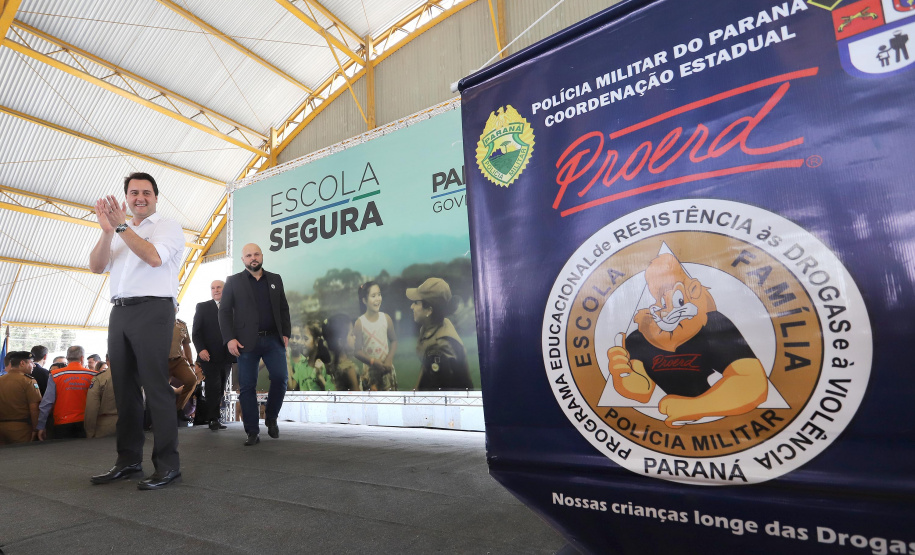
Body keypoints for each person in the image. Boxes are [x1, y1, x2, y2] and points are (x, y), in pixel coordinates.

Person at [88, 171, 185, 490]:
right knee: (124, 390)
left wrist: (120, 227)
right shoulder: (118, 230)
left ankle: (168, 466)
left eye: (146, 192)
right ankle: (128, 460)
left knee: (155, 386)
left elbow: (154, 258)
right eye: (133, 192)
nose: (139, 197)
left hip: (154, 308)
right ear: (126, 198)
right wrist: (107, 232)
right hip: (120, 311)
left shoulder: (167, 226)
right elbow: (96, 266)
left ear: (156, 197)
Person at [219, 243, 291, 447]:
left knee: (281, 378)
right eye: (249, 255)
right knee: (247, 386)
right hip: (245, 342)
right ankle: (252, 431)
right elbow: (224, 312)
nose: (253, 258)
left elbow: (283, 308)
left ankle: (271, 417)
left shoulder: (275, 279)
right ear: (243, 259)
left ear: (262, 256)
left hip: (273, 339)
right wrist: (229, 338)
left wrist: (286, 333)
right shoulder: (233, 282)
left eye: (256, 254)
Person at [407, 278, 472, 391]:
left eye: (416, 303)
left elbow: (440, 390)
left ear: (429, 310)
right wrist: (416, 388)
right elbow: (426, 363)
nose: (411, 307)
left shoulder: (440, 346)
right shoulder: (434, 326)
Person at [192, 279, 233, 431]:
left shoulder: (232, 307)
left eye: (219, 287)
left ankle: (215, 417)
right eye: (213, 288)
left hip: (227, 356)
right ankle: (212, 419)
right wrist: (201, 349)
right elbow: (196, 332)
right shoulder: (203, 307)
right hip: (208, 356)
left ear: (225, 289)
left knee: (221, 387)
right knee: (212, 386)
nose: (215, 290)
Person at [36, 346, 97, 439]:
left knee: (63, 448)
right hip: (87, 422)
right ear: (82, 358)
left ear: (67, 358)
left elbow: (47, 402)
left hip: (62, 422)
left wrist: (41, 425)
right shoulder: (93, 375)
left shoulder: (55, 375)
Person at [354, 282, 398, 391]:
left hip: (387, 370)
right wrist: (372, 361)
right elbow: (357, 351)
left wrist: (389, 359)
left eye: (379, 294)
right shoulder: (360, 323)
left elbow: (394, 341)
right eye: (373, 296)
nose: (378, 298)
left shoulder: (386, 318)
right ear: (364, 300)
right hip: (370, 375)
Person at [0, 351, 41, 444]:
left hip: (1, 428)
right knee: (22, 453)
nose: (34, 365)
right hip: (21, 429)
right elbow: (34, 408)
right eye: (31, 362)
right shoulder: (29, 381)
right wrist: (36, 429)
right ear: (22, 363)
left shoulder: (1, 380)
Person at [169, 306, 197, 423]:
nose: (173, 307)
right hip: (161, 361)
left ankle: (178, 409)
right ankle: (155, 418)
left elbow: (186, 345)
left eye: (175, 305)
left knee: (192, 380)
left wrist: (191, 363)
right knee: (160, 389)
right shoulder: (157, 324)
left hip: (178, 360)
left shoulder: (182, 325)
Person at [317, 314, 360, 392]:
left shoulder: (332, 365)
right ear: (340, 342)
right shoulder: (349, 369)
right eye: (351, 334)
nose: (354, 337)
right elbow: (356, 396)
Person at [292, 322, 331, 391]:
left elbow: (331, 392)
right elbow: (291, 388)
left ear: (316, 341)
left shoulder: (324, 366)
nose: (302, 343)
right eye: (301, 338)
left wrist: (320, 377)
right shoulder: (300, 365)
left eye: (305, 339)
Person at [84, 360, 118, 439]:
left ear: (107, 361)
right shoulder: (136, 376)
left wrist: (90, 432)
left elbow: (92, 407)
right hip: (132, 424)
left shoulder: (100, 378)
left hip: (106, 427)